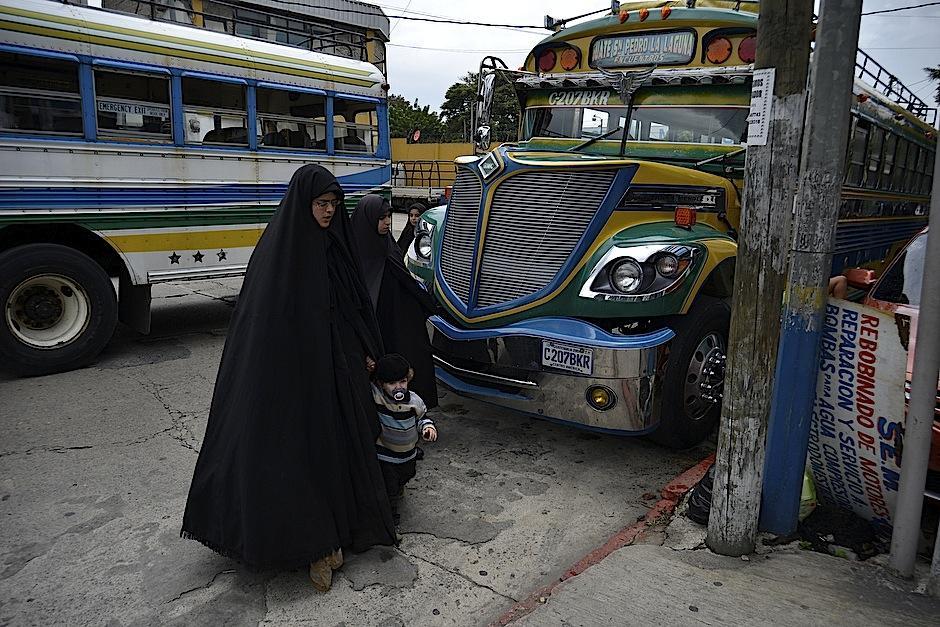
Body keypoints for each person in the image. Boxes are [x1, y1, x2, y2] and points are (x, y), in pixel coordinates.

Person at [181, 165, 396, 593]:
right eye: (321, 204)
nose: (329, 212)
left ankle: (338, 531)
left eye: (334, 205)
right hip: (290, 373)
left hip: (336, 366)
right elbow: (260, 326)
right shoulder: (278, 255)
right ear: (303, 203)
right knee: (294, 454)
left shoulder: (335, 245)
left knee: (339, 445)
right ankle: (312, 543)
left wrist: (367, 350)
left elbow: (353, 302)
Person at [350, 194, 439, 409]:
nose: (388, 222)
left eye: (389, 216)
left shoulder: (387, 245)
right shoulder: (355, 253)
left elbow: (406, 280)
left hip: (399, 322)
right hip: (373, 327)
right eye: (382, 218)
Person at [372, 353, 438, 523]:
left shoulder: (414, 401)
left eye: (402, 382)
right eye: (391, 383)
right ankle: (391, 513)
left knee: (408, 474)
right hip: (385, 453)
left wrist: (427, 428)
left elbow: (422, 418)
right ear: (381, 384)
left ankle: (400, 486)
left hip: (408, 453)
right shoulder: (378, 398)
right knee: (389, 486)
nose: (398, 387)